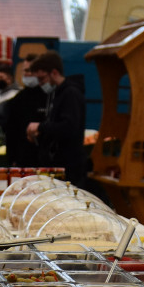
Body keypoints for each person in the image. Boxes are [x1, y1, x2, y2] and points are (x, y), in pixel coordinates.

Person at [26, 50, 89, 188]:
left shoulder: (70, 94)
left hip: (70, 167)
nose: (40, 84)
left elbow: (69, 127)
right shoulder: (58, 93)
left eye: (42, 79)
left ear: (54, 73)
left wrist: (40, 127)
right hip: (61, 164)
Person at [3, 53, 47, 167]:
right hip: (22, 160)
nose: (27, 74)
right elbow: (10, 132)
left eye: (30, 70)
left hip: (43, 159)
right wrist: (11, 159)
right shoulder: (17, 100)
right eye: (25, 71)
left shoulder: (49, 97)